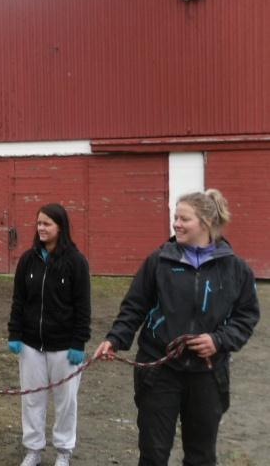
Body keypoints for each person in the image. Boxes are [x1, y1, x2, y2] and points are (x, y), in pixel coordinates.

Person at [93, 189, 260, 466]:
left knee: (202, 456)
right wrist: (115, 339)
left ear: (205, 223)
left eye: (184, 219)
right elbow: (134, 306)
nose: (176, 224)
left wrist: (219, 340)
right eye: (175, 218)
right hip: (159, 370)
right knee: (153, 454)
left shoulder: (234, 268)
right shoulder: (159, 261)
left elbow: (247, 315)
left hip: (208, 373)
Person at [8, 203, 91, 466]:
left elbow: (83, 307)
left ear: (60, 227)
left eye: (47, 224)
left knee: (66, 402)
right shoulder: (27, 260)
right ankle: (33, 449)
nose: (41, 228)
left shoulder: (76, 262)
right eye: (39, 223)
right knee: (32, 398)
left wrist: (79, 342)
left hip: (65, 348)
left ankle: (64, 452)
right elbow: (18, 300)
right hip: (31, 345)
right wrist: (15, 333)